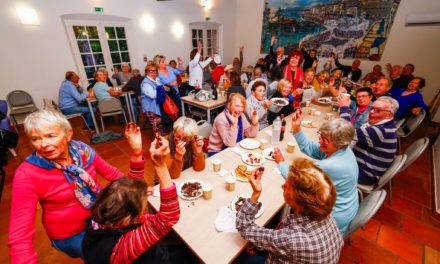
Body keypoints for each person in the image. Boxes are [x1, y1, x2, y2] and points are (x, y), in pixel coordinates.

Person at [8, 110, 145, 262]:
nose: (43, 145)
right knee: (112, 258)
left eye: (50, 136)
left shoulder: (81, 150)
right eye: (35, 139)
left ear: (68, 134)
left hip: (100, 218)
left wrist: (138, 180)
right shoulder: (27, 174)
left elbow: (112, 174)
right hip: (71, 234)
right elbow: (20, 234)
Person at [82, 135, 180, 263]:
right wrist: (160, 166)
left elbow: (129, 190)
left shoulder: (102, 218)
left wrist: (137, 151)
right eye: (144, 206)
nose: (145, 209)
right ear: (128, 218)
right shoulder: (119, 249)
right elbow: (168, 218)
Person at [235, 158, 343, 263]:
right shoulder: (325, 212)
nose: (282, 186)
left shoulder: (292, 240)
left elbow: (244, 227)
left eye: (287, 186)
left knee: (238, 257)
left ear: (299, 202)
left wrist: (256, 193)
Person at [274, 115, 359, 235]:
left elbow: (297, 179)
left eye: (325, 140)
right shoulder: (344, 149)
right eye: (321, 136)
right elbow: (313, 148)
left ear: (340, 144)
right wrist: (297, 129)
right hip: (347, 206)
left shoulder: (331, 165)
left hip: (333, 218)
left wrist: (281, 162)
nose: (320, 141)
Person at [340, 96, 399, 185]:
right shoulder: (383, 125)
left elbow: (345, 131)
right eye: (372, 108)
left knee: (323, 164)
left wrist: (344, 108)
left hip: (364, 174)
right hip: (358, 164)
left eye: (377, 110)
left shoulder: (381, 131)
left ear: (389, 115)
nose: (371, 112)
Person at [145, 117, 205, 186]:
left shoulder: (192, 141)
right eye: (178, 136)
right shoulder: (164, 144)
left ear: (191, 138)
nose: (180, 141)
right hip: (166, 183)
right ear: (174, 131)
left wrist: (198, 151)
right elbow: (173, 176)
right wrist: (178, 156)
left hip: (185, 177)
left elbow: (199, 168)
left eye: (185, 139)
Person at [141, 63, 166, 135]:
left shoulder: (155, 80)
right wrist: (162, 88)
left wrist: (163, 88)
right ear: (146, 72)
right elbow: (152, 95)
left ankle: (162, 139)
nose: (153, 73)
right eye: (150, 71)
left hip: (156, 106)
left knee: (159, 124)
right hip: (150, 108)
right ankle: (159, 141)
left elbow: (161, 88)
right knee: (157, 126)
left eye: (155, 71)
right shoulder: (146, 83)